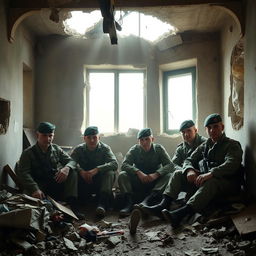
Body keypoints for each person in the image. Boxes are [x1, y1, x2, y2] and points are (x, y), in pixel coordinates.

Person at [159, 113, 243, 228]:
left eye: (215, 127)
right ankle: (163, 205)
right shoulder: (206, 145)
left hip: (228, 183)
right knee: (178, 173)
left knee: (212, 182)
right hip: (207, 182)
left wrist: (210, 174)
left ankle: (180, 214)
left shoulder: (232, 145)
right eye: (209, 128)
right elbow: (189, 159)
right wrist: (189, 170)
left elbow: (232, 164)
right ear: (206, 130)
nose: (212, 130)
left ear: (222, 127)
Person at [142, 120, 206, 217]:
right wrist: (185, 171)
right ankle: (163, 205)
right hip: (188, 179)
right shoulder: (181, 148)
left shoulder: (205, 143)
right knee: (175, 173)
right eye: (183, 132)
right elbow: (173, 165)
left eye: (189, 131)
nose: (186, 134)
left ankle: (175, 209)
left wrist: (198, 173)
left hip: (202, 178)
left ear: (195, 130)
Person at [17, 122, 81, 216]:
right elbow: (24, 173)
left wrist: (67, 168)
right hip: (39, 185)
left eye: (50, 135)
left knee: (73, 172)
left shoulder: (56, 149)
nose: (48, 139)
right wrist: (35, 189)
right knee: (29, 206)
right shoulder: (28, 153)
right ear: (37, 135)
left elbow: (72, 161)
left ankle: (72, 205)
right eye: (44, 135)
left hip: (54, 181)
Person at [118, 128, 174, 217]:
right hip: (139, 180)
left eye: (147, 139)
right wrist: (138, 172)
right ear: (138, 141)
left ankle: (148, 200)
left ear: (152, 139)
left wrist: (156, 174)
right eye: (141, 140)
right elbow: (124, 165)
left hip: (155, 182)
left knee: (169, 175)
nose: (144, 142)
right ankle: (128, 203)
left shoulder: (159, 149)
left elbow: (170, 165)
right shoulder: (134, 149)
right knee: (122, 175)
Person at [70, 126, 118, 218]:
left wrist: (97, 169)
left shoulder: (105, 148)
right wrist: (81, 171)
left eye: (94, 137)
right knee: (72, 172)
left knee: (110, 172)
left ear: (99, 137)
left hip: (99, 183)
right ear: (84, 138)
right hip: (84, 182)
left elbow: (114, 164)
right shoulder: (78, 149)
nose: (92, 140)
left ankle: (102, 204)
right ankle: (75, 204)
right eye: (89, 138)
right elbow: (70, 162)